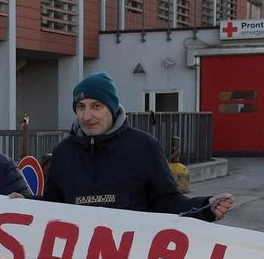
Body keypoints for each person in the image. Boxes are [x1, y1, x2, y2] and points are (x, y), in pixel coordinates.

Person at [46, 71, 234, 219]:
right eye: (81, 107)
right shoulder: (63, 153)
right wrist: (23, 205)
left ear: (111, 108)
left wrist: (206, 207)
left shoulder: (144, 147)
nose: (87, 116)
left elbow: (167, 202)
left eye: (96, 106)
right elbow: (49, 207)